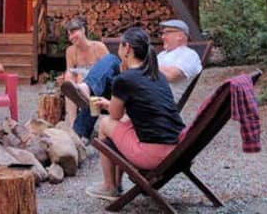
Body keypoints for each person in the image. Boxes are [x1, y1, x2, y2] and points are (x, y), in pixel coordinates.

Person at [86, 26, 185, 201]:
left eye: (119, 45)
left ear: (127, 49)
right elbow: (143, 109)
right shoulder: (157, 75)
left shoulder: (125, 79)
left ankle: (110, 186)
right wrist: (111, 103)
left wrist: (110, 104)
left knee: (104, 124)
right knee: (123, 121)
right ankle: (116, 185)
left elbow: (114, 117)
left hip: (153, 154)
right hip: (177, 148)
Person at [62, 18, 201, 139]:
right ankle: (79, 133)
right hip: (136, 88)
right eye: (162, 33)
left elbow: (171, 75)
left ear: (180, 36)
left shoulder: (189, 55)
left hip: (149, 97)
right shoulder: (162, 55)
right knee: (103, 76)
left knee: (109, 62)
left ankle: (80, 122)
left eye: (167, 33)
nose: (162, 36)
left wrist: (141, 62)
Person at [60, 18, 109, 127]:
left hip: (100, 86)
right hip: (79, 86)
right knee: (70, 77)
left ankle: (84, 124)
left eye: (73, 32)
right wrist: (64, 77)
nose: (71, 37)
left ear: (83, 30)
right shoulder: (70, 51)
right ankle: (73, 124)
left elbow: (109, 70)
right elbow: (70, 71)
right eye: (69, 35)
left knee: (81, 79)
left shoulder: (99, 47)